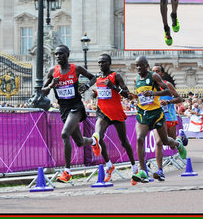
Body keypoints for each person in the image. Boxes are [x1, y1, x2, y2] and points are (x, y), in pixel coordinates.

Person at [41, 45, 101, 183]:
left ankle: (67, 172)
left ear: (67, 55)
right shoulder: (52, 71)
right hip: (64, 109)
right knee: (79, 142)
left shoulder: (76, 68)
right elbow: (43, 92)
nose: (58, 57)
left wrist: (86, 86)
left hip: (76, 107)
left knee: (64, 134)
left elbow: (94, 78)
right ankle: (93, 141)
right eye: (56, 54)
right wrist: (51, 85)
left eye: (61, 54)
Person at [131, 56, 187, 184]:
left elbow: (168, 92)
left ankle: (178, 144)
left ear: (147, 66)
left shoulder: (156, 78)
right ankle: (143, 171)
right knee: (141, 139)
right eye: (137, 65)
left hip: (159, 114)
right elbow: (139, 96)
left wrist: (153, 94)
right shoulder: (136, 79)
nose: (138, 68)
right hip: (143, 114)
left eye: (141, 65)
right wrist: (132, 96)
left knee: (165, 141)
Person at [92, 54, 138, 183]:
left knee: (124, 142)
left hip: (116, 113)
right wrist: (95, 93)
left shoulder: (116, 76)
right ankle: (109, 165)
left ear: (109, 63)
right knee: (97, 136)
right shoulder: (97, 77)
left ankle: (134, 168)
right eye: (99, 62)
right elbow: (101, 92)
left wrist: (113, 87)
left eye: (104, 62)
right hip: (102, 113)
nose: (101, 65)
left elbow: (127, 94)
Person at [151, 65, 188, 181]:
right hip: (157, 119)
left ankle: (179, 141)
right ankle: (160, 170)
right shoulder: (150, 87)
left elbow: (179, 99)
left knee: (171, 145)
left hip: (170, 118)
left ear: (162, 74)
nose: (155, 73)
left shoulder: (167, 85)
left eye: (157, 71)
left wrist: (168, 101)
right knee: (158, 142)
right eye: (153, 72)